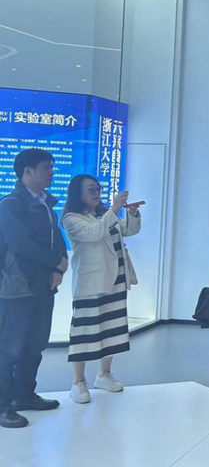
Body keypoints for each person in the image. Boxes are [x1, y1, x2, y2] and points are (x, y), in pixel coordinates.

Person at [0, 149, 68, 429]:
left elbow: (57, 240)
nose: (51, 172)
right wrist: (56, 262)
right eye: (46, 167)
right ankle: (3, 405)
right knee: (9, 349)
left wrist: (59, 267)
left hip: (43, 286)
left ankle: (25, 395)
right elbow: (20, 243)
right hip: (17, 286)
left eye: (51, 166)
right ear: (27, 171)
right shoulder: (10, 204)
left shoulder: (46, 204)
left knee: (35, 345)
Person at [61, 175, 141, 404]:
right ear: (78, 193)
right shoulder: (71, 218)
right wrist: (114, 209)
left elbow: (128, 230)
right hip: (90, 282)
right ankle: (78, 381)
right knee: (84, 331)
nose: (96, 193)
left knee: (112, 328)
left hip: (116, 277)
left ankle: (104, 374)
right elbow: (93, 233)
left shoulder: (104, 214)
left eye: (98, 189)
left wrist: (132, 214)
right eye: (91, 190)